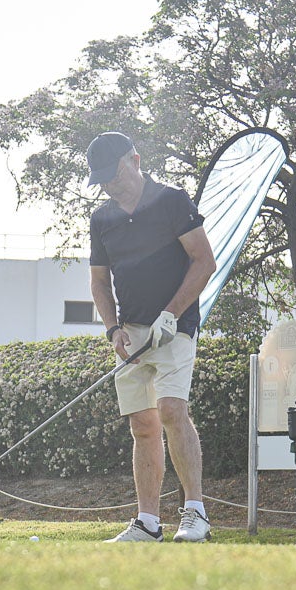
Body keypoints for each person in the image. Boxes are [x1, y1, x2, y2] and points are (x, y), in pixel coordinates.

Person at [86, 132, 217, 543]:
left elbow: (204, 261)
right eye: (103, 179)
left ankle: (195, 513)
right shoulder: (101, 219)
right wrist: (113, 329)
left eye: (115, 173)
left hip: (175, 328)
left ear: (136, 159)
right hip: (132, 335)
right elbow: (99, 283)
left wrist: (171, 314)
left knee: (172, 410)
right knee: (143, 425)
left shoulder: (172, 201)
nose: (110, 184)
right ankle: (148, 523)